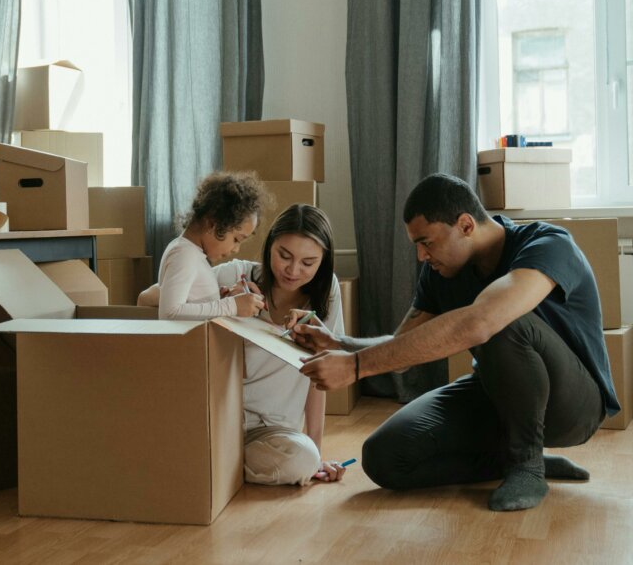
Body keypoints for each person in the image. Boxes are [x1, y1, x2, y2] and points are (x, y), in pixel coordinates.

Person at [295, 173, 619, 511]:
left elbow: (482, 322)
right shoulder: (440, 272)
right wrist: (341, 345)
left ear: (465, 225)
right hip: (497, 396)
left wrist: (356, 367)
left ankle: (527, 465)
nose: (421, 256)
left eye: (427, 242)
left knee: (500, 320)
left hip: (574, 407)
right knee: (384, 458)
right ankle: (512, 459)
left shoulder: (548, 244)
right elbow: (403, 348)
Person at [143, 203, 350, 485]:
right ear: (269, 246)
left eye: (308, 263)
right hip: (217, 419)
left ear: (323, 262)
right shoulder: (236, 274)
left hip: (272, 432)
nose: (292, 270)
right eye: (284, 255)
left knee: (303, 459)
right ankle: (212, 461)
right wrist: (223, 301)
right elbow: (148, 298)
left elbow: (320, 375)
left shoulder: (327, 294)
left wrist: (316, 452)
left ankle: (210, 463)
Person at [156, 171, 268, 320]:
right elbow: (169, 313)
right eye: (236, 239)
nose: (236, 249)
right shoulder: (184, 254)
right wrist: (231, 306)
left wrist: (220, 300)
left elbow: (192, 307)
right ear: (212, 223)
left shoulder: (193, 254)